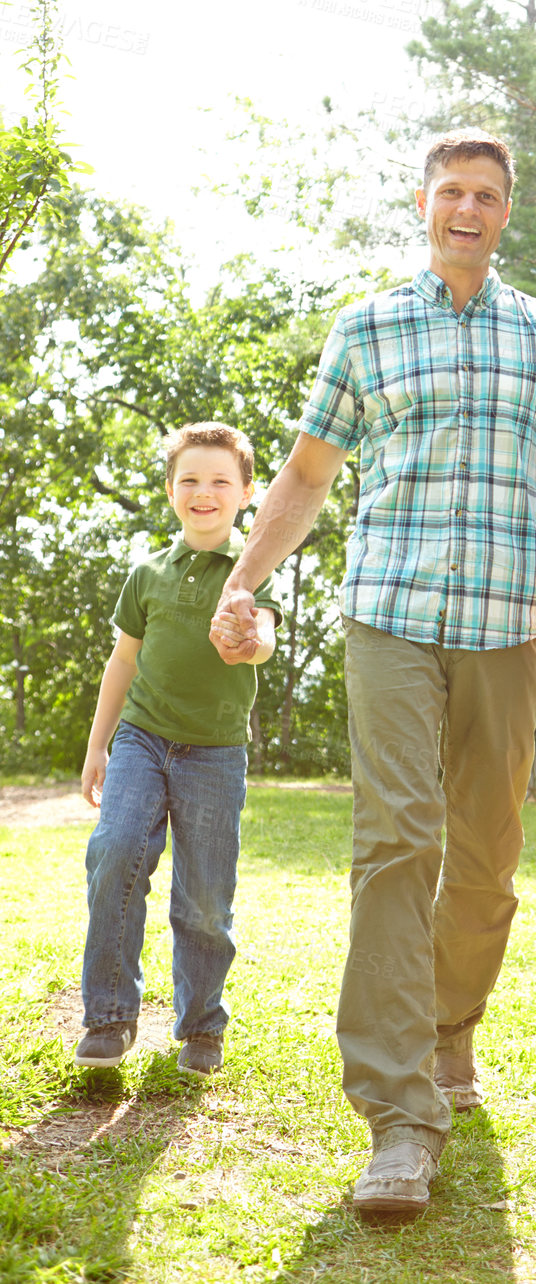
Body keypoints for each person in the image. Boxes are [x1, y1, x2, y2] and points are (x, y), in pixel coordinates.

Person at [211, 132, 536, 1219]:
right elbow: (306, 473)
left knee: (486, 854)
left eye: (487, 195)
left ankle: (447, 1025)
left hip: (506, 621)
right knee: (396, 838)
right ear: (423, 204)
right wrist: (241, 580)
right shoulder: (368, 326)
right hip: (388, 610)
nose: (466, 209)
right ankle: (396, 1112)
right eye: (450, 192)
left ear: (507, 212)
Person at [76, 423, 281, 1077]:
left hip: (215, 753)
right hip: (141, 739)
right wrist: (98, 745)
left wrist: (249, 641)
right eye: (189, 479)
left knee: (205, 899)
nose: (203, 491)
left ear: (246, 492)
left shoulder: (253, 571)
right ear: (170, 491)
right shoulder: (147, 574)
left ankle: (201, 1028)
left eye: (220, 480)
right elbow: (122, 661)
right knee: (115, 853)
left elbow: (266, 636)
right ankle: (109, 1018)